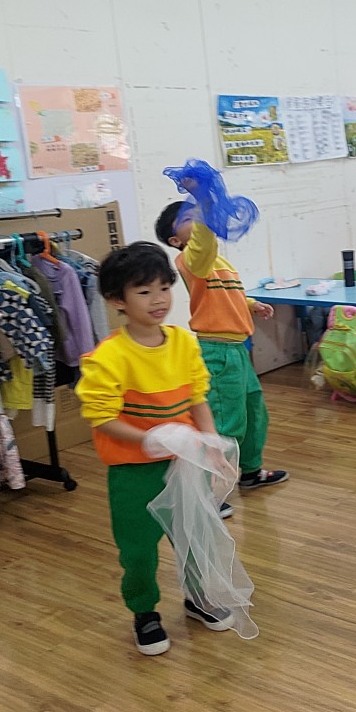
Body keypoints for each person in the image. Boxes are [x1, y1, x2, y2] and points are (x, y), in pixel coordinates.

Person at [76, 242, 236, 656]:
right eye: (144, 291)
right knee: (138, 550)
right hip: (133, 471)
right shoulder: (108, 357)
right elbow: (101, 416)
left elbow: (197, 397)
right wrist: (150, 438)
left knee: (194, 536)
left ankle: (198, 598)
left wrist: (212, 444)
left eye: (164, 288)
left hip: (185, 464)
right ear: (118, 300)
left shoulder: (184, 342)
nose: (159, 299)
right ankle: (144, 612)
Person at [156, 196, 288, 510]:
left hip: (238, 350)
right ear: (176, 240)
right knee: (225, 424)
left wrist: (252, 305)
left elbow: (230, 295)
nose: (198, 220)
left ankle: (251, 473)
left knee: (254, 414)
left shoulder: (219, 262)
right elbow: (202, 244)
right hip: (216, 353)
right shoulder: (190, 260)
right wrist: (203, 205)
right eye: (188, 219)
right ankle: (205, 493)